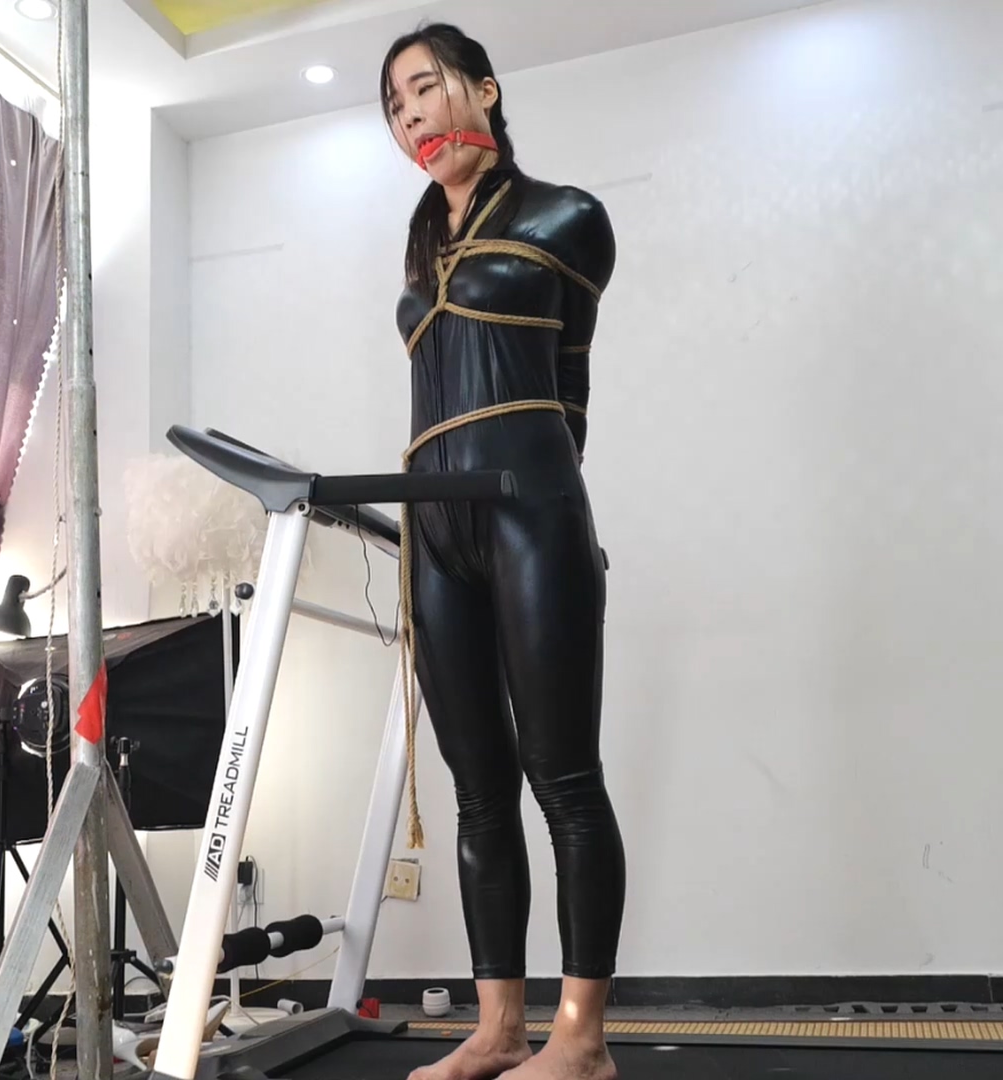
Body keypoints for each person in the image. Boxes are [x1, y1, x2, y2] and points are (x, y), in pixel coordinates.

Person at [381, 22, 624, 1080]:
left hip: (529, 509)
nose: (412, 117)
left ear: (483, 88)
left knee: (562, 776)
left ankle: (582, 1038)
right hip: (433, 528)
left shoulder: (566, 216)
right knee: (477, 789)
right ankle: (499, 1029)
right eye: (395, 108)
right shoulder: (419, 247)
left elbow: (570, 385)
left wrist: (554, 505)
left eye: (425, 88)